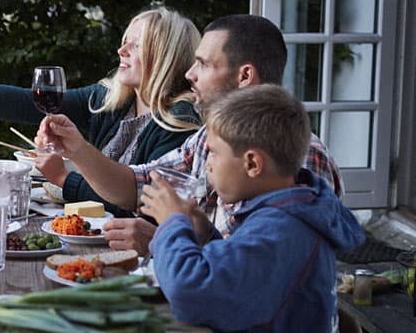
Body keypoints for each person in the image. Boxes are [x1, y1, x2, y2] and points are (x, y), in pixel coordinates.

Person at [38, 14, 344, 254]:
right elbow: (137, 186)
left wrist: (165, 241)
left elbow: (270, 273)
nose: (189, 74)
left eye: (204, 64)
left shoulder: (299, 157)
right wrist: (77, 148)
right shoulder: (206, 139)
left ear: (245, 76)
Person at [0, 7, 201, 218]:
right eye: (124, 42)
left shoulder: (179, 121)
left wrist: (63, 178)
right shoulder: (109, 99)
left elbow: (137, 206)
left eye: (136, 45)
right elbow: (28, 102)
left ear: (166, 55)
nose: (121, 50)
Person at [140, 85, 364, 331]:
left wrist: (172, 223)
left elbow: (191, 294)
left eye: (214, 153)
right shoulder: (288, 214)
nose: (208, 165)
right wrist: (205, 234)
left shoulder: (281, 230)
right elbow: (243, 278)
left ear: (252, 163)